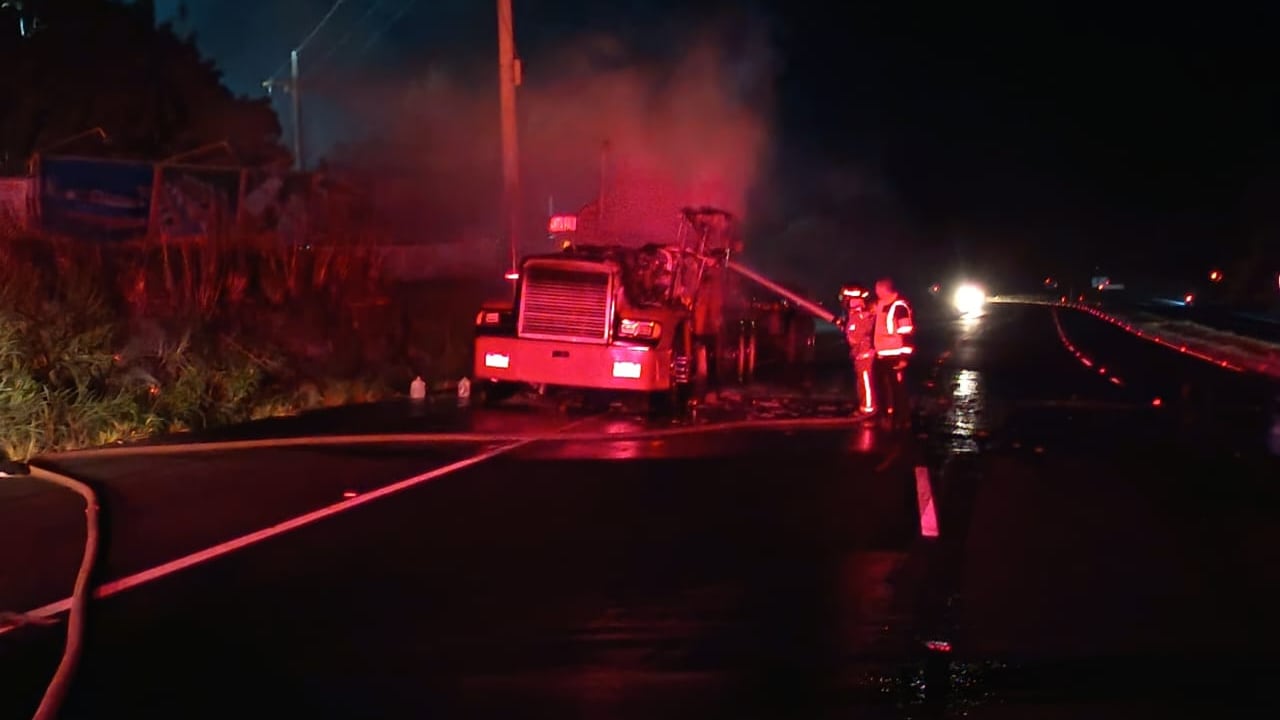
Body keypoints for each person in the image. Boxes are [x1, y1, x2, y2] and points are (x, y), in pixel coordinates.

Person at [872, 277, 915, 429]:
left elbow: (907, 333)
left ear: (884, 289)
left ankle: (902, 419)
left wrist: (904, 358)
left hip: (895, 356)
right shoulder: (880, 305)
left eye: (877, 289)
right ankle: (884, 415)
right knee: (880, 386)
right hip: (880, 355)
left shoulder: (900, 307)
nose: (875, 291)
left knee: (897, 389)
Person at [838, 285, 877, 417]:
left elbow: (855, 337)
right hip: (860, 356)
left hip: (864, 356)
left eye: (848, 299)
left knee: (866, 383)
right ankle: (864, 407)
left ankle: (868, 409)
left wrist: (848, 331)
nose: (847, 303)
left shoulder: (860, 316)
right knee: (862, 382)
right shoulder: (856, 315)